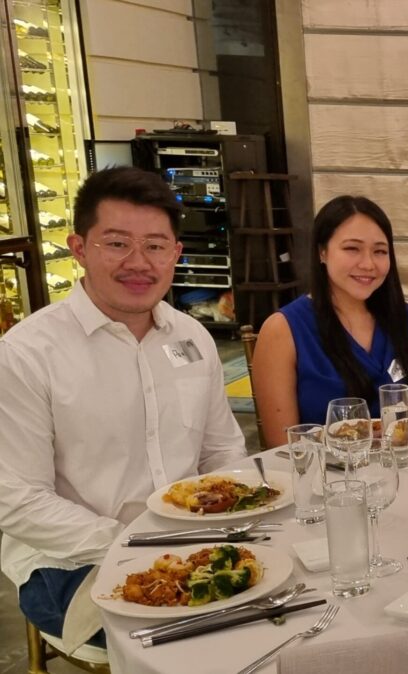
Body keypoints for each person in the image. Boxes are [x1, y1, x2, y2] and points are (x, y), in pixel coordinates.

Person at [0, 166, 246, 648]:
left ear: (175, 253)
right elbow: (17, 499)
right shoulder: (28, 353)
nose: (139, 262)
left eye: (155, 246)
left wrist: (227, 525)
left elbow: (223, 454)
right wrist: (139, 541)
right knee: (200, 640)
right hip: (70, 562)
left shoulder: (192, 337)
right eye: (116, 243)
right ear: (78, 249)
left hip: (188, 542)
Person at [253, 195, 408, 448]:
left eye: (380, 251)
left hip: (406, 473)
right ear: (322, 252)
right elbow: (284, 448)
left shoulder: (405, 319)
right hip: (327, 480)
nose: (368, 264)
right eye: (352, 248)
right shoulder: (283, 330)